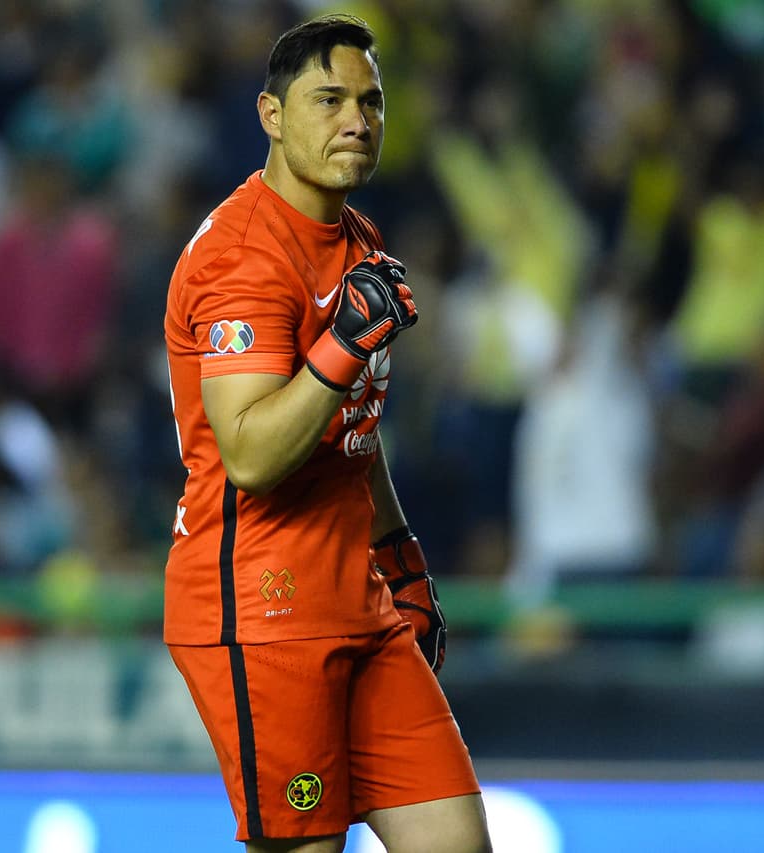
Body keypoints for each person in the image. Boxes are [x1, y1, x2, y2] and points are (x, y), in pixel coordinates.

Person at [161, 15, 490, 853]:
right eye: (330, 99)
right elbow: (253, 455)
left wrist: (400, 553)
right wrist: (342, 345)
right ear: (271, 115)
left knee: (456, 841)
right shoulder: (243, 258)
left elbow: (353, 429)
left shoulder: (357, 242)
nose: (358, 120)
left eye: (372, 101)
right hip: (260, 609)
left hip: (356, 596)